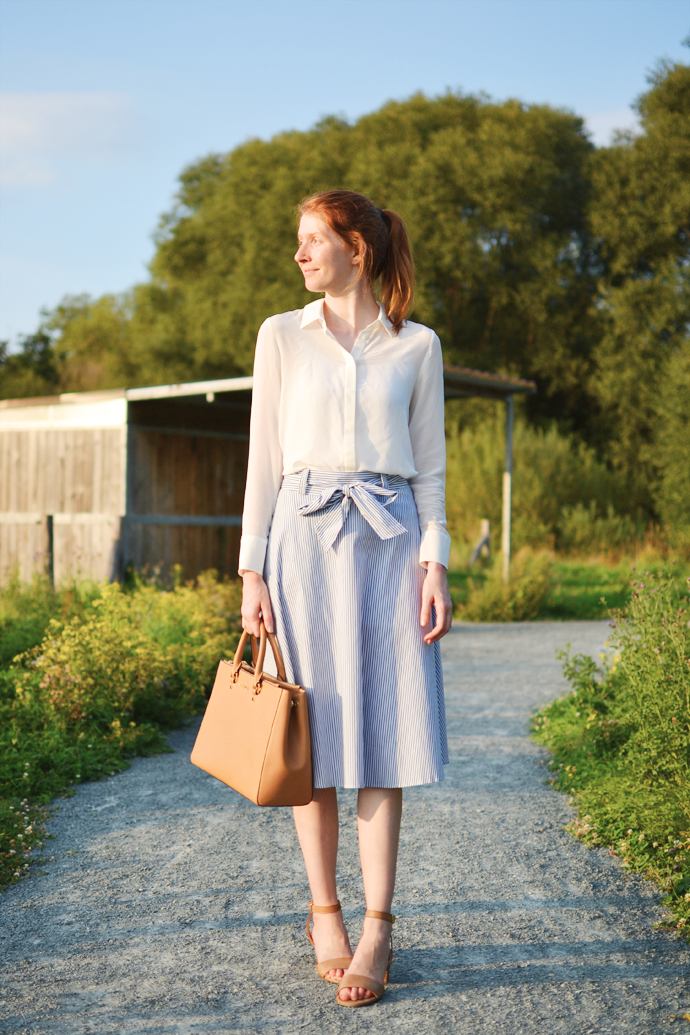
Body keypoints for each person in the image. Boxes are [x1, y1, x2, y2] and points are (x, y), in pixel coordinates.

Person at [239, 189, 452, 1007]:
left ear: (356, 249)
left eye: (314, 239)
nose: (300, 254)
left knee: (385, 736)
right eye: (299, 240)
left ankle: (377, 925)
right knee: (312, 735)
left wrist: (436, 562)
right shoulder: (280, 336)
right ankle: (323, 907)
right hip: (300, 538)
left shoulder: (417, 345)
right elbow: (263, 460)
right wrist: (251, 572)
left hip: (392, 542)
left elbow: (430, 469)